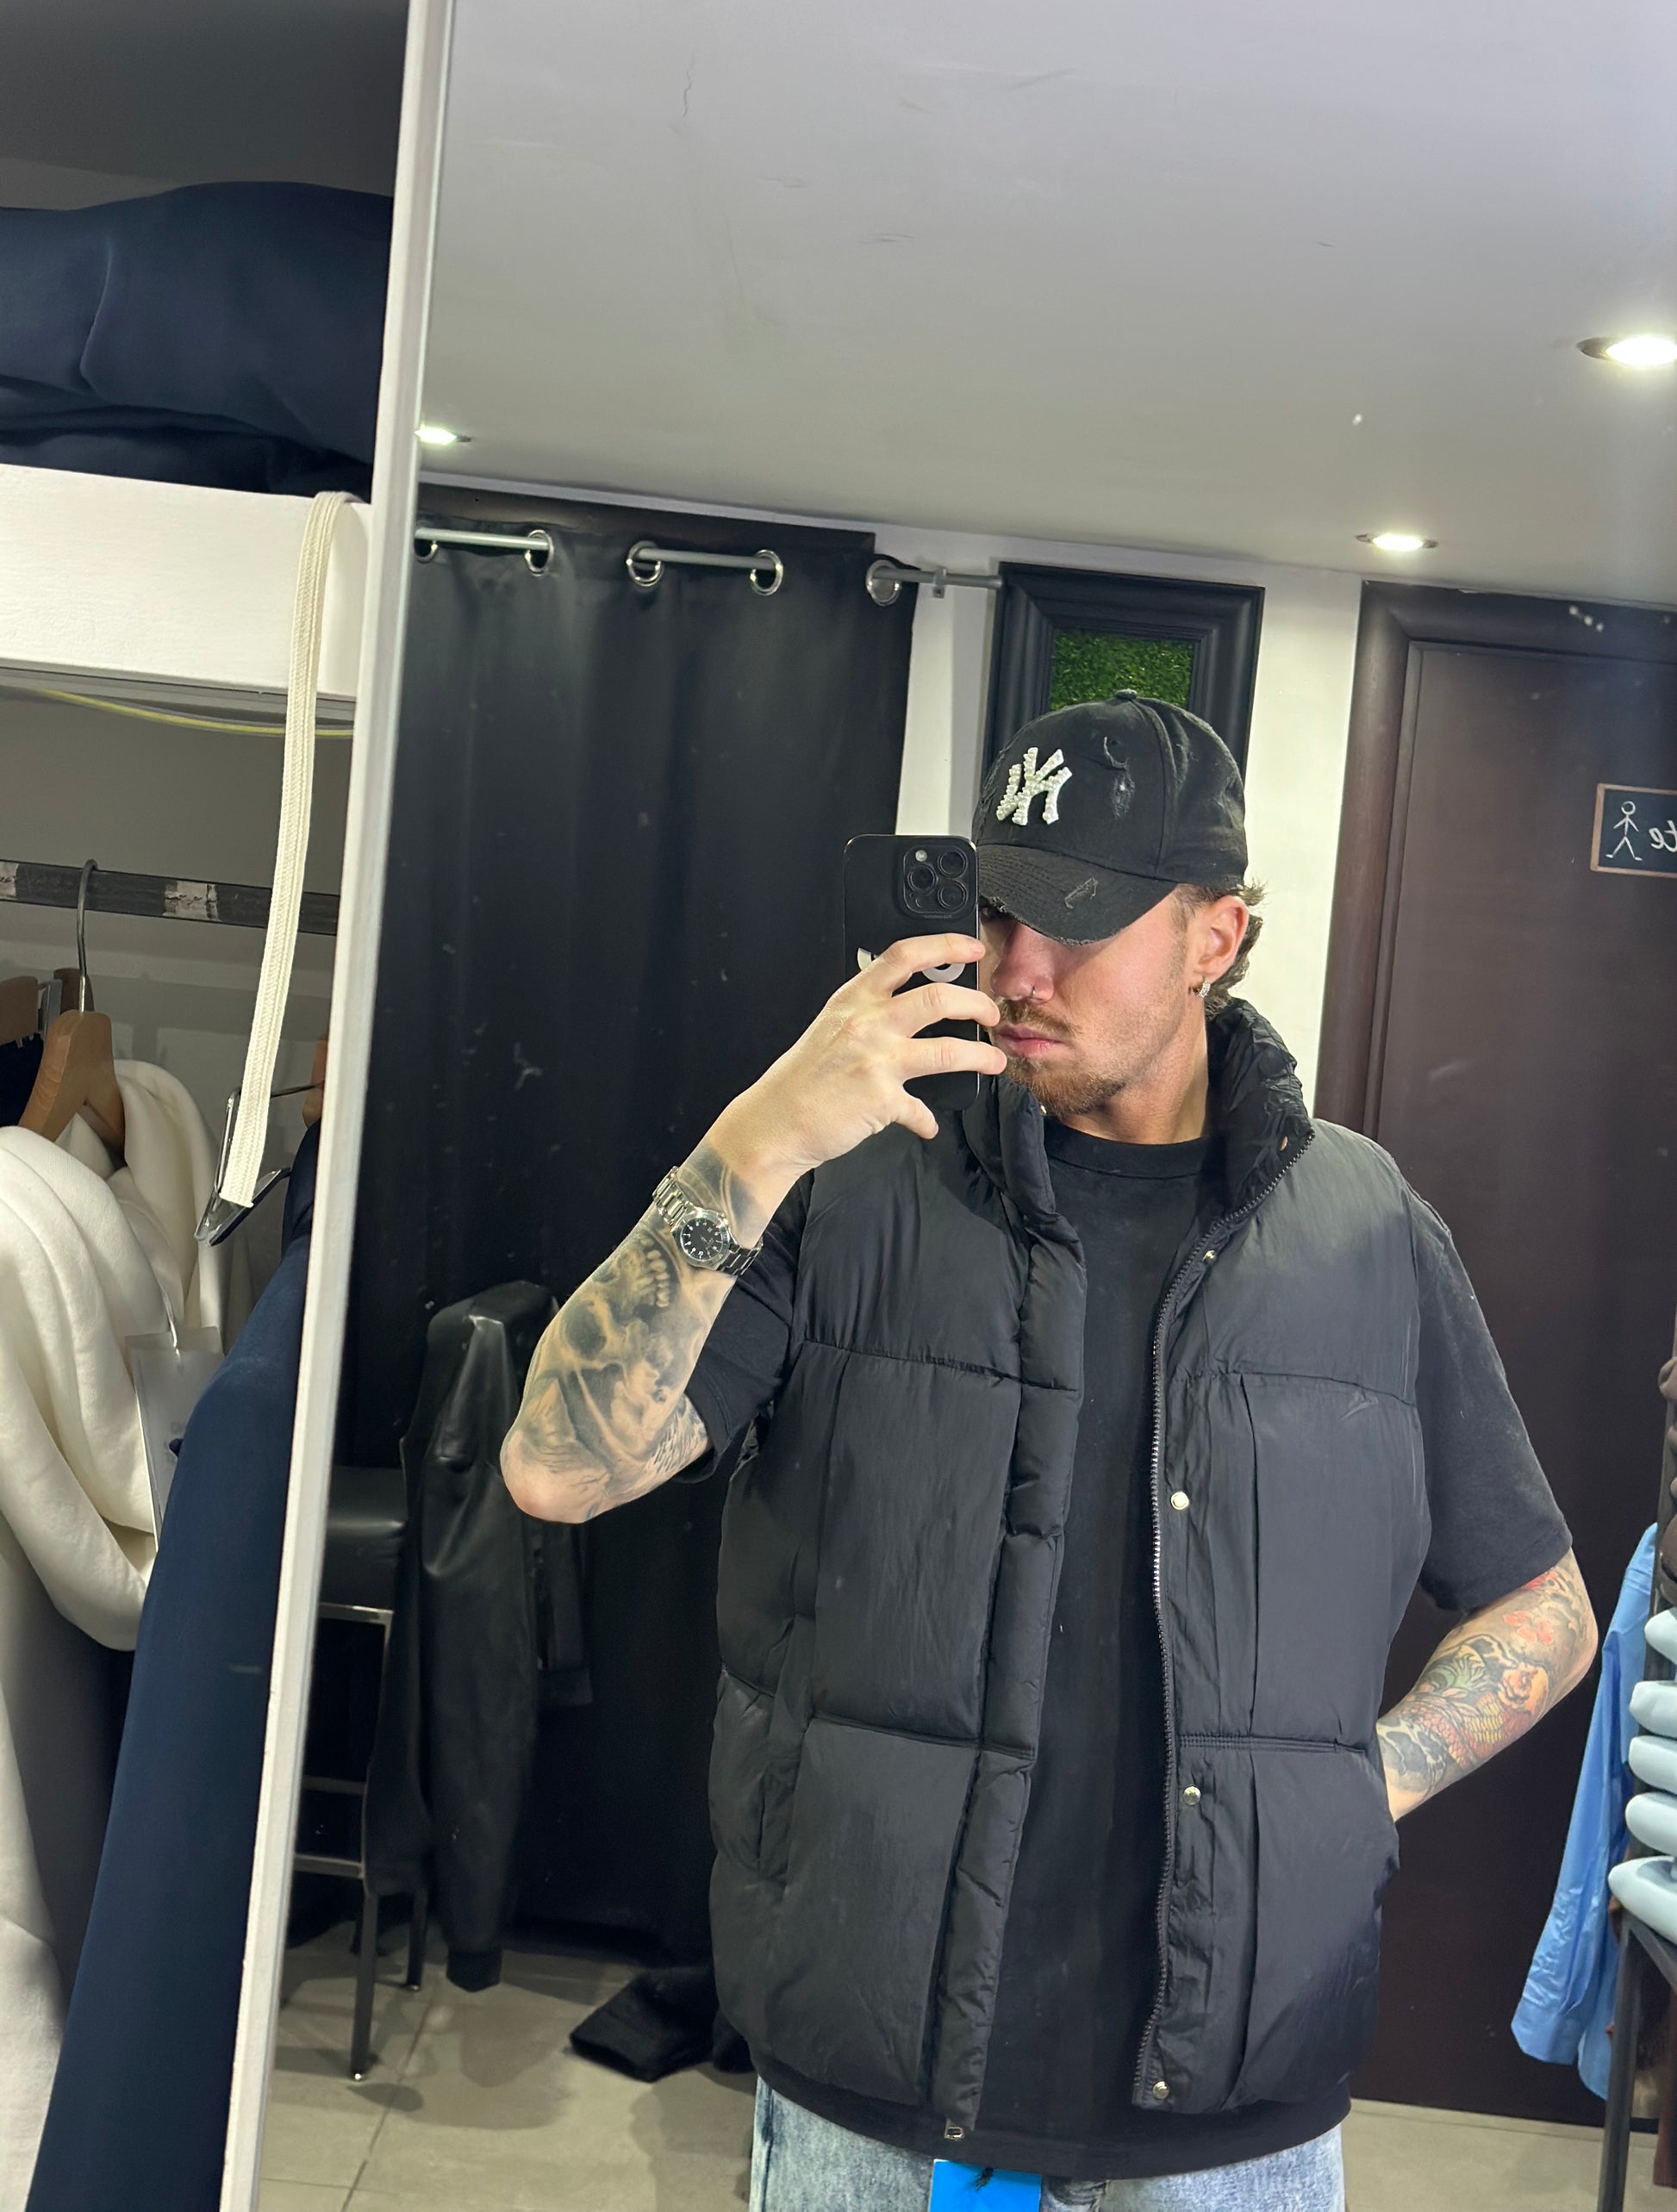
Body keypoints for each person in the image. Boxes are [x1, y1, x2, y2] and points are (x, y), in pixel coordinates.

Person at [502, 699, 1598, 2212]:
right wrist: (750, 1144)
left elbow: (1543, 1606)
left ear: (1214, 937)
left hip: (1232, 2110)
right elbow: (558, 1469)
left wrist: (1357, 1788)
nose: (1017, 969)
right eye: (1000, 913)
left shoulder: (1367, 1233)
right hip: (871, 2080)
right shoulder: (847, 1185)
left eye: (1077, 923)